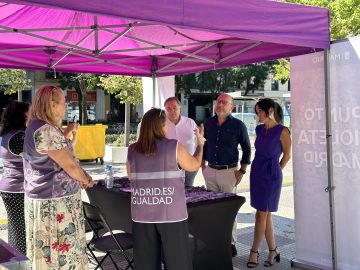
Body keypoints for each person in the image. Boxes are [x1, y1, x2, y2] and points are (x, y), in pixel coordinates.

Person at [23, 85, 94, 269]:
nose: (66, 106)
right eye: (64, 102)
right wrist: (86, 179)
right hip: (55, 204)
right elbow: (69, 165)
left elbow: (57, 156)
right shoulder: (46, 131)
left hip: (43, 199)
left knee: (47, 258)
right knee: (61, 258)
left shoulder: (35, 126)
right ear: (52, 105)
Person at [126, 108, 205, 270]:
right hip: (171, 215)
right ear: (162, 126)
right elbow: (194, 164)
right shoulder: (174, 147)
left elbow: (130, 177)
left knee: (146, 263)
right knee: (178, 262)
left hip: (142, 214)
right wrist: (200, 145)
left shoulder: (132, 150)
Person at [202, 93, 251, 257]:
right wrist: (203, 166)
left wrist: (242, 171)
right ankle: (214, 240)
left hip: (229, 172)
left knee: (229, 209)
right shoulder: (208, 123)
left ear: (232, 107)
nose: (220, 105)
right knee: (212, 209)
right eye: (218, 102)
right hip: (210, 171)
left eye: (224, 102)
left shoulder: (238, 125)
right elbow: (203, 144)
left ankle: (230, 243)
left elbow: (247, 149)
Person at [247, 98, 291, 268]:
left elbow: (287, 155)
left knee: (261, 214)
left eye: (260, 111)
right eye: (256, 111)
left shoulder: (283, 131)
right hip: (257, 172)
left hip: (271, 175)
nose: (257, 114)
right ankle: (273, 250)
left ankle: (254, 251)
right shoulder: (259, 129)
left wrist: (276, 171)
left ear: (270, 110)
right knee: (266, 214)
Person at [0, 101, 30, 255]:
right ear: (21, 114)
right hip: (19, 189)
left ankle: (16, 261)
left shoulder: (6, 135)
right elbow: (36, 159)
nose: (31, 113)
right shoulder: (20, 136)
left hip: (8, 187)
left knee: (14, 228)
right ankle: (21, 263)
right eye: (28, 111)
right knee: (22, 231)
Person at [164, 96, 198, 186]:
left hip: (189, 166)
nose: (172, 111)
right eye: (168, 109)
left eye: (175, 108)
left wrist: (198, 161)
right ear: (165, 110)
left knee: (189, 193)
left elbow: (198, 142)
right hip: (169, 168)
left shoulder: (190, 123)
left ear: (180, 107)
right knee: (173, 194)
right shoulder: (162, 126)